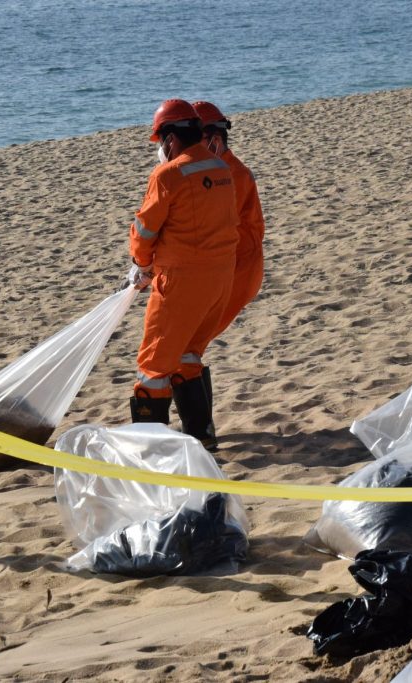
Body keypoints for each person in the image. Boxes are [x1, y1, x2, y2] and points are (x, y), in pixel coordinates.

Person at [127, 98, 239, 451]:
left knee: (153, 365)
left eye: (160, 142)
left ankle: (152, 450)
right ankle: (201, 437)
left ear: (170, 139)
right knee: (189, 355)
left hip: (180, 282)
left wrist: (142, 265)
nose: (161, 149)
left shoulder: (168, 175)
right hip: (220, 279)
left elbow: (145, 229)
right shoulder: (221, 169)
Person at [191, 100, 266, 440]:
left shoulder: (226, 175)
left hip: (234, 273)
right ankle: (200, 430)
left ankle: (201, 433)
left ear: (212, 137)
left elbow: (211, 234)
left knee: (185, 349)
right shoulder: (222, 169)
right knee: (189, 348)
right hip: (234, 271)